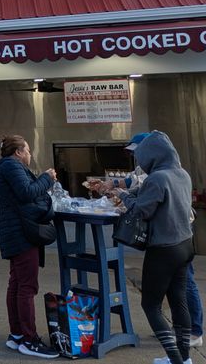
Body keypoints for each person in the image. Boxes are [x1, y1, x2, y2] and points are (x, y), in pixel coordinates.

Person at [96, 131, 194, 364]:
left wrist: (123, 195)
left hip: (163, 249)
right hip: (185, 245)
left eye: (141, 156)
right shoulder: (182, 174)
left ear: (152, 155)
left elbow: (142, 211)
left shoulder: (157, 178)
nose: (139, 161)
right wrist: (128, 192)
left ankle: (175, 360)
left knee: (150, 305)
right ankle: (184, 358)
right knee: (179, 301)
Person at [0, 134, 58, 359]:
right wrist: (47, 178)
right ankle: (29, 340)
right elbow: (26, 192)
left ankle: (17, 335)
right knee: (27, 286)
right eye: (27, 150)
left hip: (14, 233)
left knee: (17, 284)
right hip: (22, 233)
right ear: (18, 152)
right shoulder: (11, 166)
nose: (29, 154)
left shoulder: (5, 167)